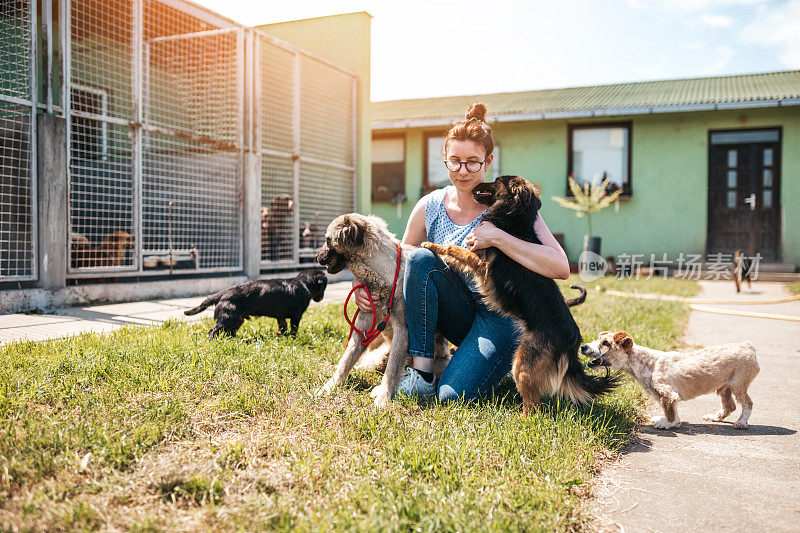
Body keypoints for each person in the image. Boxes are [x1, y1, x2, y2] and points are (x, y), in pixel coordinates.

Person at [353, 102, 570, 402]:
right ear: (444, 159)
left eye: (472, 162)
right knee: (418, 258)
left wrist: (499, 238)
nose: (463, 171)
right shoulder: (429, 206)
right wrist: (362, 288)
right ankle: (422, 372)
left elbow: (560, 266)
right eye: (454, 161)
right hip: (454, 312)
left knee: (451, 397)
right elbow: (399, 265)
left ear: (488, 161)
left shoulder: (511, 204)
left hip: (501, 317)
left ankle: (486, 361)